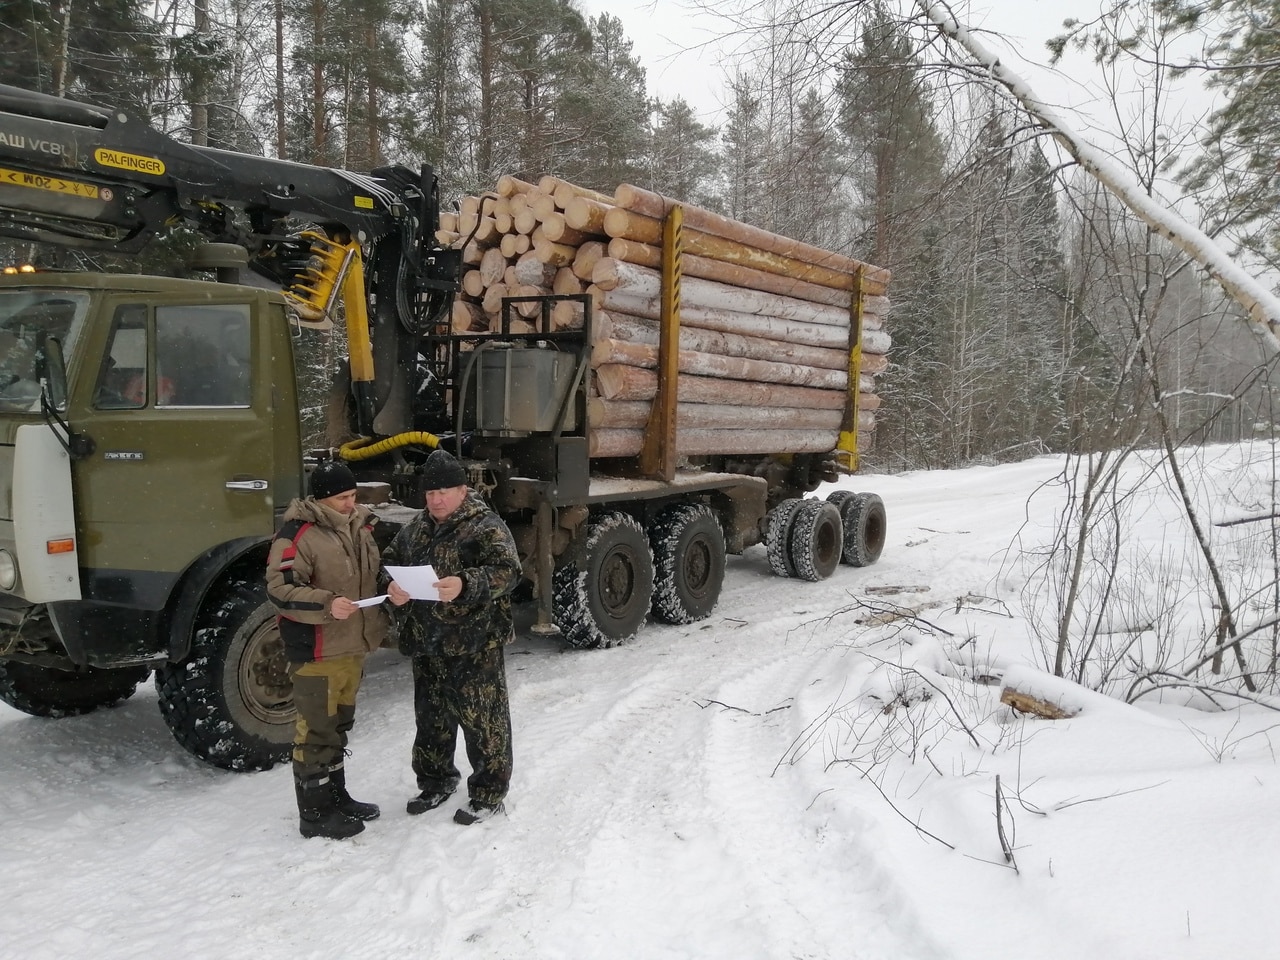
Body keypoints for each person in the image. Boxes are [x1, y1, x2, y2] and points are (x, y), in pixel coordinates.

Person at [384, 448, 522, 825]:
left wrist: (465, 582)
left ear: (463, 490)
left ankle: (489, 793)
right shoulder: (414, 529)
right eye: (430, 493)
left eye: (444, 491)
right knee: (431, 721)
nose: (436, 499)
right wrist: (393, 588)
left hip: (474, 643)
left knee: (484, 722)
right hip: (428, 643)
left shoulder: (485, 525)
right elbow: (389, 565)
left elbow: (509, 572)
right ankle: (435, 782)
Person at [266, 460, 391, 840]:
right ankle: (315, 814)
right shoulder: (296, 535)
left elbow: (373, 573)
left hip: (352, 645)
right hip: (317, 650)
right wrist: (326, 603)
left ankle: (336, 796)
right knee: (316, 731)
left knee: (339, 725)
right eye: (342, 498)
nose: (351, 503)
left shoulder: (360, 527)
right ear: (320, 499)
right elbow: (279, 590)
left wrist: (392, 585)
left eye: (353, 495)